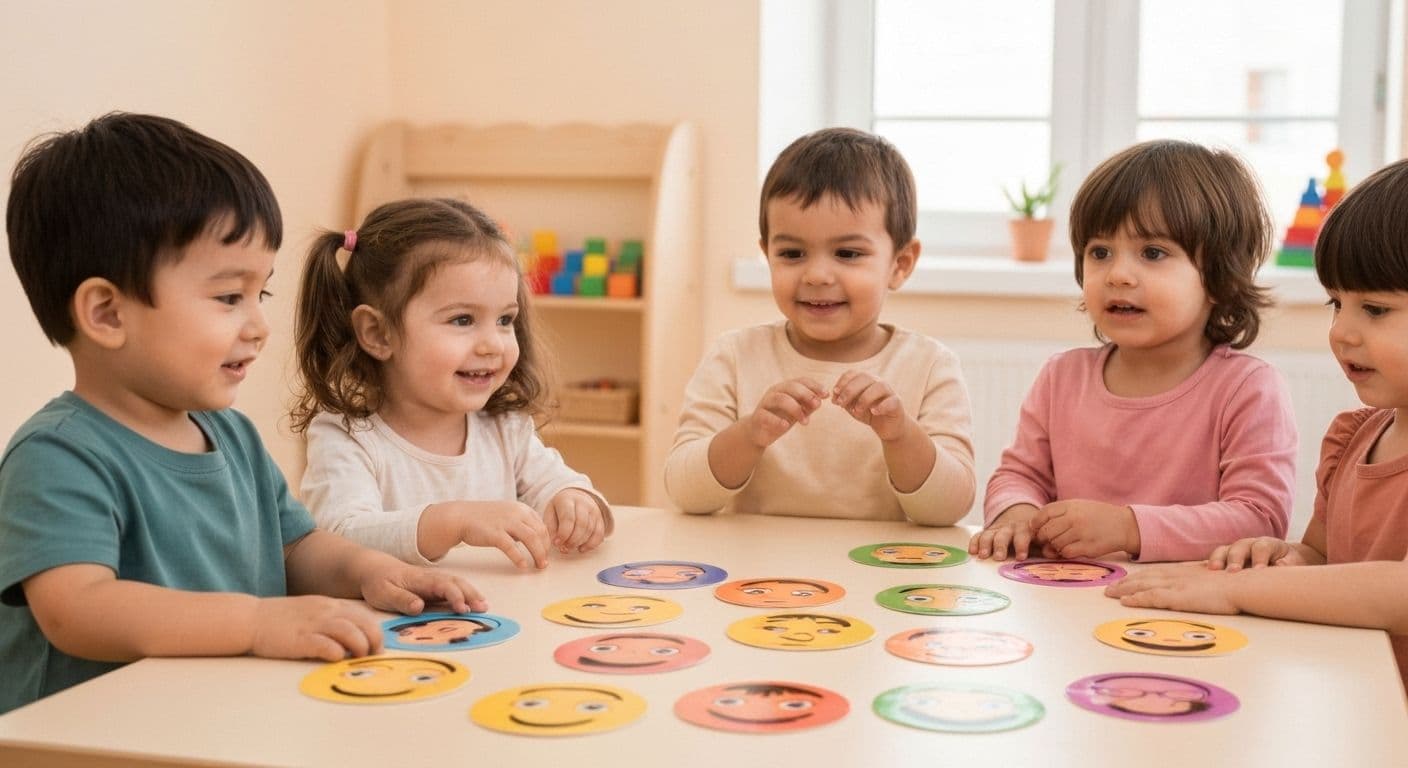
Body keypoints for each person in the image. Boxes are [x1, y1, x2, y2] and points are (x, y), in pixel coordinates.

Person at [0, 112, 485, 715]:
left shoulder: (229, 435)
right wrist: (256, 622)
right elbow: (78, 610)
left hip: (215, 723)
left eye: (263, 294)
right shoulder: (58, 456)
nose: (257, 326)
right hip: (86, 743)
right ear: (106, 313)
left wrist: (370, 570)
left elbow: (296, 547)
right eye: (230, 297)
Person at [1106, 158, 1408, 692]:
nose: (1342, 332)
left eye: (1376, 310)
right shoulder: (1355, 438)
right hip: (1363, 703)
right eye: (1337, 303)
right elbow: (1320, 558)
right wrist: (1277, 557)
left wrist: (1236, 592)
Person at [970, 139, 1297, 563]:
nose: (1118, 274)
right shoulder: (1061, 377)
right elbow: (1021, 474)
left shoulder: (1248, 388)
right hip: (1066, 599)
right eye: (1100, 252)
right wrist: (1017, 512)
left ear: (1219, 277)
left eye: (1153, 253)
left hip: (1189, 611)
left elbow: (1258, 518)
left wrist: (1127, 527)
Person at [664, 127, 975, 523]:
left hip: (880, 576)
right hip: (758, 577)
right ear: (767, 255)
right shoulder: (735, 356)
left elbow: (949, 509)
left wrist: (900, 435)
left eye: (847, 253)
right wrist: (749, 435)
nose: (817, 275)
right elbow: (685, 492)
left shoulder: (930, 366)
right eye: (792, 253)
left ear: (900, 264)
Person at [291, 198, 611, 568]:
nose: (493, 343)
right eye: (462, 320)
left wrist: (574, 500)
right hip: (395, 624)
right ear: (378, 333)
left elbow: (558, 483)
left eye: (505, 320)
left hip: (500, 619)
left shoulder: (506, 431)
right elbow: (340, 537)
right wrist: (454, 521)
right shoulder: (346, 439)